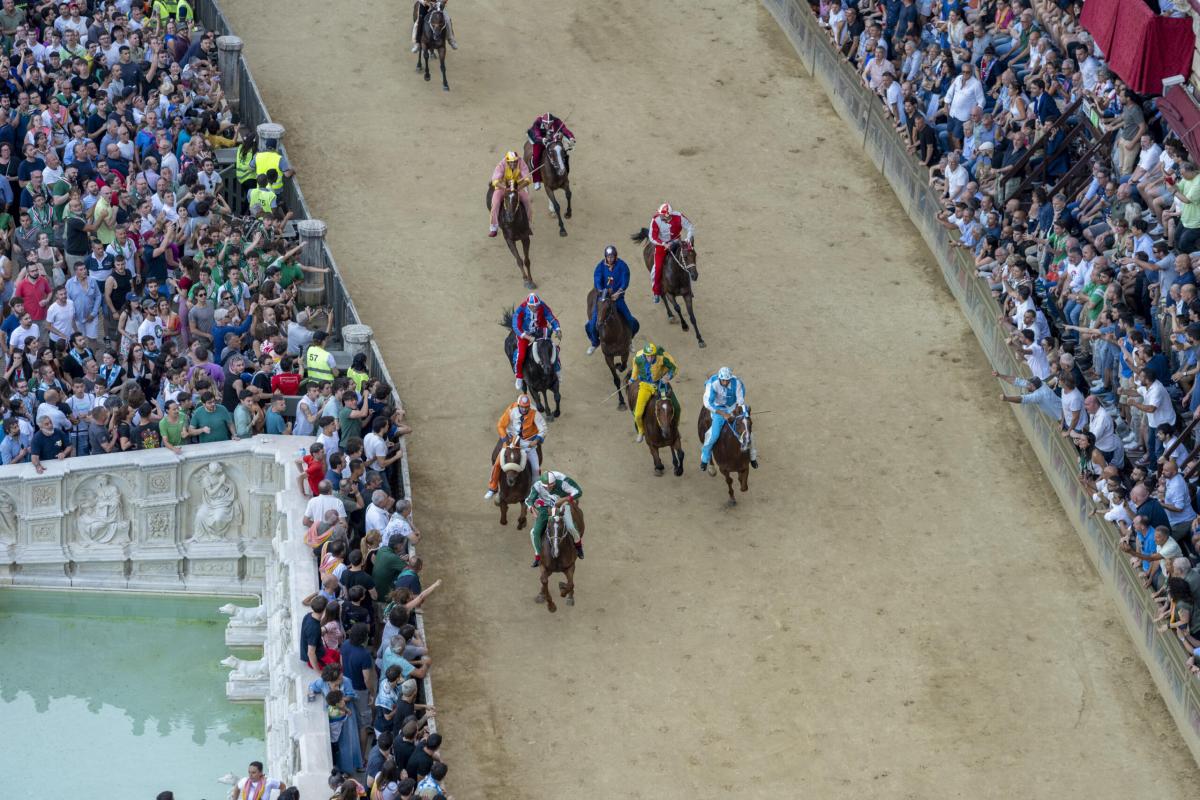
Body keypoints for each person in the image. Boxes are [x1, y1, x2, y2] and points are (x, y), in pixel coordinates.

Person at [484, 393, 546, 500]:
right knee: (497, 464)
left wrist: (536, 440)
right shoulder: (511, 409)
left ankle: (535, 492)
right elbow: (501, 425)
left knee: (536, 469)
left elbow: (543, 428)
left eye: (526, 407)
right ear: (518, 405)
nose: (524, 409)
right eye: (522, 407)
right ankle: (492, 488)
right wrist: (505, 439)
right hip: (511, 441)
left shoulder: (535, 412)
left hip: (528, 443)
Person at [699, 366, 758, 472]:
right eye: (723, 380)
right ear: (719, 378)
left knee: (749, 433)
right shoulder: (712, 383)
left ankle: (753, 457)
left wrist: (740, 411)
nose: (725, 383)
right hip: (718, 409)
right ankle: (705, 458)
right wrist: (723, 414)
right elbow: (707, 403)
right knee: (713, 435)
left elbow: (740, 400)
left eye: (727, 380)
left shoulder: (737, 383)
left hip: (733, 408)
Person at [585, 245, 639, 354]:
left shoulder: (622, 266)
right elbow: (597, 280)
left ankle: (629, 341)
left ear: (615, 256)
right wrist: (602, 291)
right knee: (592, 323)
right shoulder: (600, 266)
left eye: (612, 257)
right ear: (605, 257)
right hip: (603, 298)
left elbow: (625, 281)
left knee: (630, 320)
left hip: (617, 297)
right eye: (608, 257)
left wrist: (618, 293)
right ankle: (595, 343)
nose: (610, 259)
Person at [524, 470, 583, 567]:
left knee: (570, 526)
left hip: (562, 505)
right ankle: (538, 556)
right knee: (534, 532)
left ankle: (578, 545)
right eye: (545, 487)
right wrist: (532, 509)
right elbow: (529, 500)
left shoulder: (563, 482)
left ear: (555, 482)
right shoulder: (537, 485)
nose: (548, 489)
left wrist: (564, 499)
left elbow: (578, 491)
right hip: (545, 508)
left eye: (551, 486)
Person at [510, 292, 560, 391]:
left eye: (537, 306)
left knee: (552, 347)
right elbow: (516, 326)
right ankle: (519, 377)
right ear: (528, 305)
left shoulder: (542, 305)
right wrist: (528, 337)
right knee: (521, 355)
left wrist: (557, 329)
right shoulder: (520, 310)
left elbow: (551, 317)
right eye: (533, 307)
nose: (536, 308)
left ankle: (557, 369)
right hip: (525, 334)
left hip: (540, 330)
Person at [630, 342, 678, 443]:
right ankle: (641, 431)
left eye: (652, 356)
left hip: (660, 385)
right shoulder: (638, 358)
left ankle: (673, 427)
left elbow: (674, 367)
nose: (650, 358)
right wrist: (633, 378)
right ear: (645, 355)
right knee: (638, 414)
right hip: (645, 386)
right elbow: (635, 365)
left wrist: (668, 376)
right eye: (648, 356)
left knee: (674, 407)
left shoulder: (662, 357)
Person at [647, 203, 694, 304]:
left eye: (662, 215)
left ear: (668, 215)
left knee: (688, 262)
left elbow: (690, 227)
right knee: (657, 269)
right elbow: (652, 237)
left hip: (677, 242)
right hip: (661, 246)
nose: (660, 216)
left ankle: (689, 288)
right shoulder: (655, 220)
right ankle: (656, 292)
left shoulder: (679, 216)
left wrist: (687, 239)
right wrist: (663, 244)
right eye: (660, 214)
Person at [488, 150, 532, 237]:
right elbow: (495, 181)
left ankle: (528, 224)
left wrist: (518, 187)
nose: (514, 164)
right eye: (511, 162)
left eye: (515, 162)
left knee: (527, 200)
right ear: (507, 161)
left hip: (517, 187)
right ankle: (494, 227)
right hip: (502, 187)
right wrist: (505, 187)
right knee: (496, 203)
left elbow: (527, 179)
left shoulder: (521, 162)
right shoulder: (501, 165)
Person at [526, 112, 575, 190]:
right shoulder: (538, 121)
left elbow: (564, 130)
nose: (548, 126)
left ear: (552, 122)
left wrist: (571, 137)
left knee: (561, 152)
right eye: (546, 124)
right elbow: (536, 134)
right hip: (539, 140)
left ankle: (563, 170)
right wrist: (542, 139)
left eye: (550, 124)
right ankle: (536, 180)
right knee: (536, 157)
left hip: (551, 140)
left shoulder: (557, 121)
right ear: (543, 122)